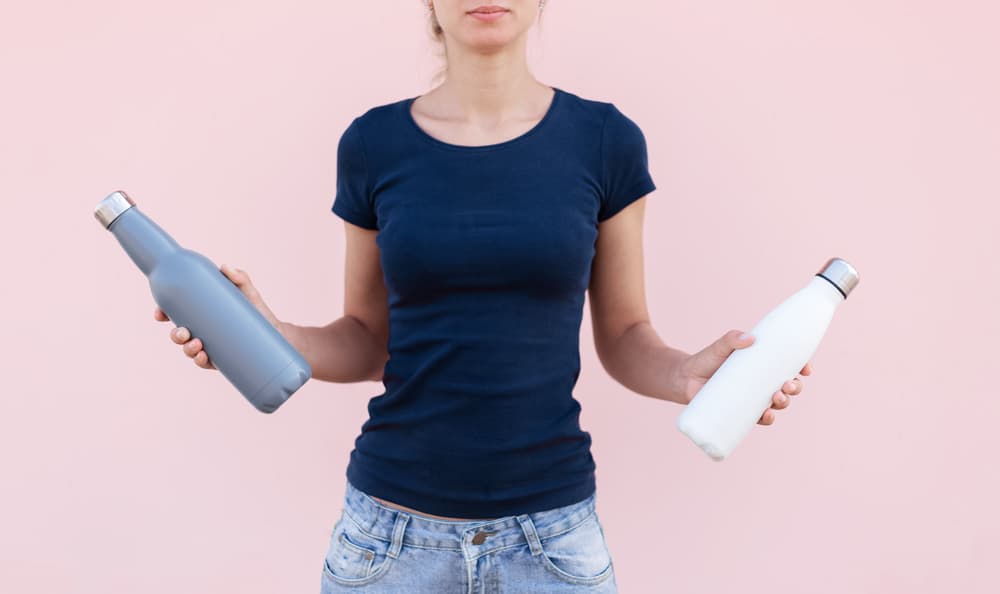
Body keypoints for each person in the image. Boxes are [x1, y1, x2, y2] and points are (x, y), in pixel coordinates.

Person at [154, 1, 813, 591]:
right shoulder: (371, 145)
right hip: (389, 544)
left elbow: (624, 335)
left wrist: (686, 376)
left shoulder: (606, 140)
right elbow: (365, 338)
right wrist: (266, 331)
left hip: (553, 545)